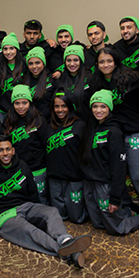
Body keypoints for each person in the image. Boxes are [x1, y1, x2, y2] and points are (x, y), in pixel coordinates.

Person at [0, 135, 92, 268]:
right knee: (31, 231)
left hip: (26, 206)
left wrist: (38, 213)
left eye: (7, 149)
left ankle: (66, 240)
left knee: (51, 211)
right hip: (5, 215)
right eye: (1, 150)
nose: (5, 153)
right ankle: (67, 252)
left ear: (13, 150)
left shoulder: (22, 165)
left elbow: (32, 193)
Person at [89, 48, 139, 230]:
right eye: (101, 62)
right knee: (117, 174)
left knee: (137, 175)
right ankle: (130, 207)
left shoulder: (131, 78)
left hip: (133, 131)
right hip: (112, 133)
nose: (105, 65)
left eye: (109, 61)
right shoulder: (97, 82)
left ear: (115, 61)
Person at [78, 90, 139, 235]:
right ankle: (126, 212)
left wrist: (115, 198)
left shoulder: (114, 131)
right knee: (98, 223)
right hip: (89, 182)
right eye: (95, 106)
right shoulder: (90, 127)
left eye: (103, 106)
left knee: (116, 228)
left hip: (105, 183)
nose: (98, 110)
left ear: (109, 107)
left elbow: (119, 167)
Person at [43, 91, 87, 223]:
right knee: (60, 216)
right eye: (57, 106)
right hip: (54, 177)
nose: (60, 110)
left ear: (70, 107)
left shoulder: (80, 125)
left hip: (74, 177)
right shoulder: (49, 126)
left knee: (76, 218)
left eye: (64, 106)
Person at [3, 85, 48, 205]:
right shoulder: (8, 122)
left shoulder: (39, 120)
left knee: (40, 198)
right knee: (22, 199)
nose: (21, 107)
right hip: (18, 168)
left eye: (24, 102)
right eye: (17, 103)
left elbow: (46, 144)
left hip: (38, 169)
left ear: (30, 103)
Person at [0, 32, 25, 120]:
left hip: (21, 110)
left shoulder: (25, 65)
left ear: (16, 49)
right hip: (2, 111)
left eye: (11, 48)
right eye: (5, 49)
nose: (8, 52)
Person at [22, 47, 55, 118]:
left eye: (37, 63)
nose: (34, 66)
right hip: (29, 121)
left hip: (47, 121)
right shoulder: (23, 80)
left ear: (43, 63)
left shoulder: (52, 80)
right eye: (31, 63)